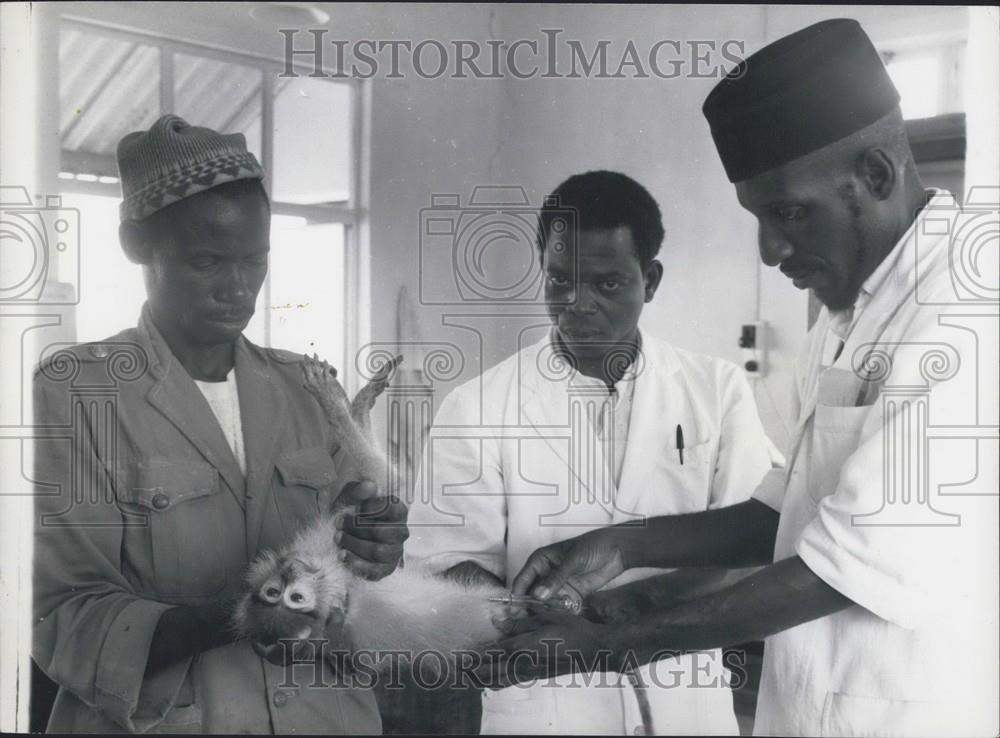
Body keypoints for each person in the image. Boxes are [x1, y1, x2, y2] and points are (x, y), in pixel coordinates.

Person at [482, 19, 1000, 738]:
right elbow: (782, 513)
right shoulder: (853, 309)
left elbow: (834, 569)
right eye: (758, 217)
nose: (770, 250)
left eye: (788, 213)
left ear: (876, 176)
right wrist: (624, 555)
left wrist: (603, 647)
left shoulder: (967, 313)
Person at [32, 115, 409, 733]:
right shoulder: (75, 394)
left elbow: (353, 586)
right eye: (207, 261)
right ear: (136, 245)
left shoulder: (309, 389)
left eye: (254, 261)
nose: (239, 290)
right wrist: (244, 611)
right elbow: (59, 616)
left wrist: (373, 550)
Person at [406, 170, 776, 734]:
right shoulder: (475, 405)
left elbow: (749, 548)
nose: (577, 305)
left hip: (683, 699)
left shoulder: (717, 390)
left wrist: (605, 613)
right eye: (560, 280)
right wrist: (512, 612)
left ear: (649, 280)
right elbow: (444, 563)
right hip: (546, 703)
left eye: (606, 284)